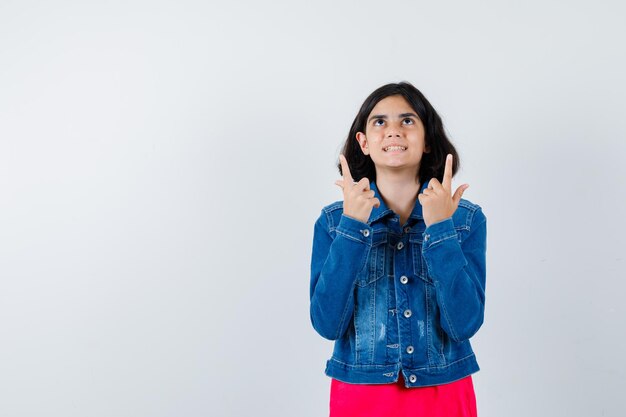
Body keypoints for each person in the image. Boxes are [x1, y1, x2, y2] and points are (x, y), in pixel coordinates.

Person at [309, 81, 488, 417]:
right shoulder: (334, 222)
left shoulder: (465, 219)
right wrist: (352, 228)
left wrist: (440, 230)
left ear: (428, 142)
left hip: (443, 393)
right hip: (361, 396)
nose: (393, 131)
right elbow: (327, 325)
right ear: (363, 142)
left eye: (407, 121)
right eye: (379, 122)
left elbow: (464, 324)